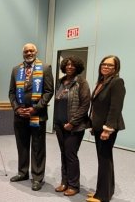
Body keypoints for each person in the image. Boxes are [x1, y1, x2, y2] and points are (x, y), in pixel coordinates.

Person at [8, 43, 54, 191]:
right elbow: (11, 92)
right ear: (23, 53)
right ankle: (23, 173)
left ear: (36, 51)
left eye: (31, 50)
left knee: (37, 147)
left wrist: (35, 108)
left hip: (37, 115)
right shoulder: (16, 70)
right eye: (26, 51)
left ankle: (38, 178)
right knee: (22, 145)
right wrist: (17, 108)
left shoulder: (45, 68)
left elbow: (48, 91)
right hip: (20, 115)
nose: (29, 53)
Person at [86, 55, 126, 202]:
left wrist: (107, 129)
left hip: (107, 128)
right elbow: (97, 106)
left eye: (110, 65)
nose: (106, 67)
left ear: (116, 68)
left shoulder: (117, 82)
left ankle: (102, 196)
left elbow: (115, 108)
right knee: (105, 159)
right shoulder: (102, 81)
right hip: (98, 126)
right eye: (104, 64)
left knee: (104, 160)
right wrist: (93, 124)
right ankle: (104, 191)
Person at [53, 56, 90, 196]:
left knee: (71, 155)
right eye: (67, 64)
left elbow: (85, 105)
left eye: (73, 65)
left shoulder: (82, 82)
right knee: (63, 153)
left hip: (74, 126)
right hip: (59, 124)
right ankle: (64, 182)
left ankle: (74, 185)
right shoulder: (60, 82)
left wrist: (72, 123)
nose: (69, 67)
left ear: (77, 67)